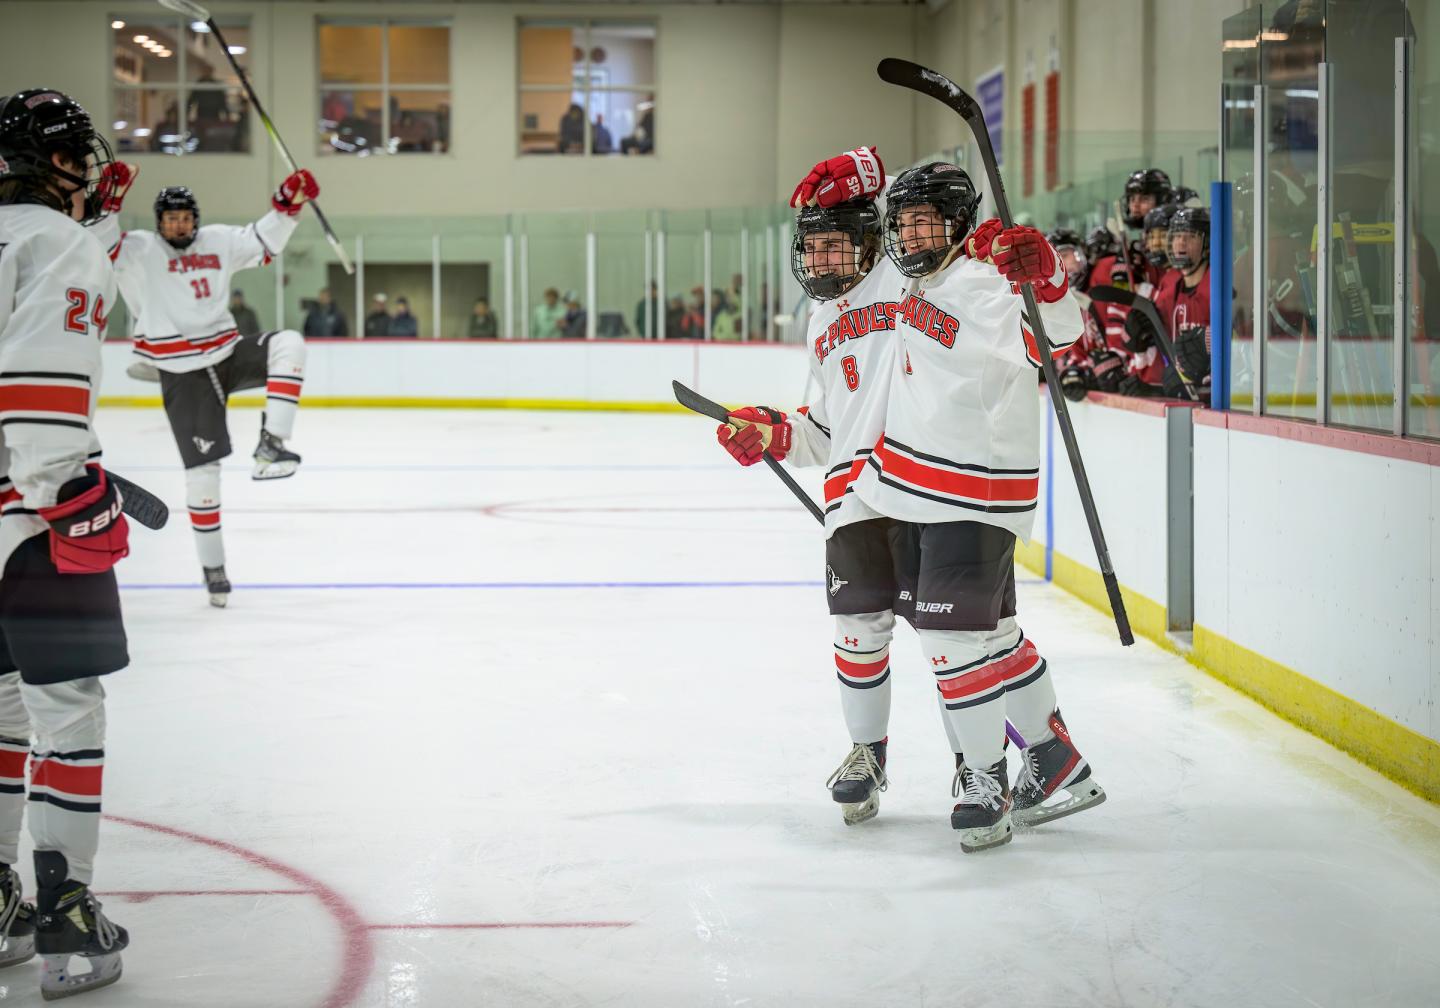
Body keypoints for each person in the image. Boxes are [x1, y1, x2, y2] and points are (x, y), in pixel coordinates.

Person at [791, 158, 1104, 850]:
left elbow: (1057, 334)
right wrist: (777, 431)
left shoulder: (984, 276)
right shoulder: (891, 292)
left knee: (953, 638)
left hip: (974, 482)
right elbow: (831, 416)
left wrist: (1044, 276)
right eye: (904, 221)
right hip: (903, 485)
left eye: (927, 219)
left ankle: (984, 773)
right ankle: (1053, 760)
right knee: (976, 635)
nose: (913, 232)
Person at [0, 86, 133, 1000]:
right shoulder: (61, 242)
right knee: (66, 707)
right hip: (25, 516)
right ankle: (66, 908)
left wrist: (108, 223)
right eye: (79, 155)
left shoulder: (47, 239)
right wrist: (74, 495)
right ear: (54, 160)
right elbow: (40, 380)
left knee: (1, 709)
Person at [89, 166, 317, 608]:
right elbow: (99, 248)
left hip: (228, 353)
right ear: (159, 221)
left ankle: (273, 443)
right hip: (182, 371)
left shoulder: (217, 240)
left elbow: (262, 241)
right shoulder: (137, 249)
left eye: (186, 216)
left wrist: (289, 202)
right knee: (203, 479)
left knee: (289, 343)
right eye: (170, 217)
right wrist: (109, 202)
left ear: (196, 217)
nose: (179, 224)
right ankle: (213, 568)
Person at [1154, 206, 1212, 399]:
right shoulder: (1168, 293)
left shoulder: (1219, 287)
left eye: (1190, 236)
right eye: (1177, 236)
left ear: (1207, 244)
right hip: (1188, 398)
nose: (1181, 242)